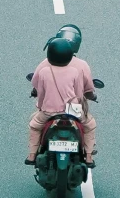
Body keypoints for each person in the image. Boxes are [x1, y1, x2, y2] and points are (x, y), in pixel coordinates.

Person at [26, 25, 96, 164]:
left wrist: (40, 106)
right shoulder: (78, 69)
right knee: (90, 125)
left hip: (49, 110)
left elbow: (40, 90)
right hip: (73, 111)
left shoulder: (45, 68)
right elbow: (79, 93)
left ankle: (32, 155)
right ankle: (88, 157)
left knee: (34, 125)